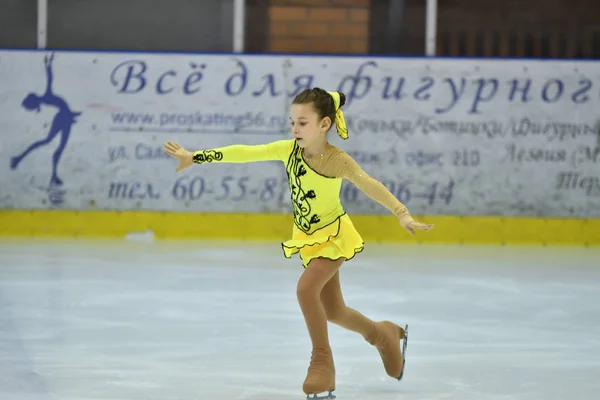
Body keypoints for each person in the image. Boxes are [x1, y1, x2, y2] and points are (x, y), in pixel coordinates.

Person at [163, 88, 434, 399]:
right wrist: (195, 157)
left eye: (302, 123)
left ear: (324, 124)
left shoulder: (337, 161)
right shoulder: (288, 150)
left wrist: (401, 213)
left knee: (306, 290)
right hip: (308, 238)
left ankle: (322, 363)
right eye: (292, 122)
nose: (295, 129)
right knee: (333, 310)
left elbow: (369, 184)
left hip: (333, 237)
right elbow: (246, 152)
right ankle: (382, 334)